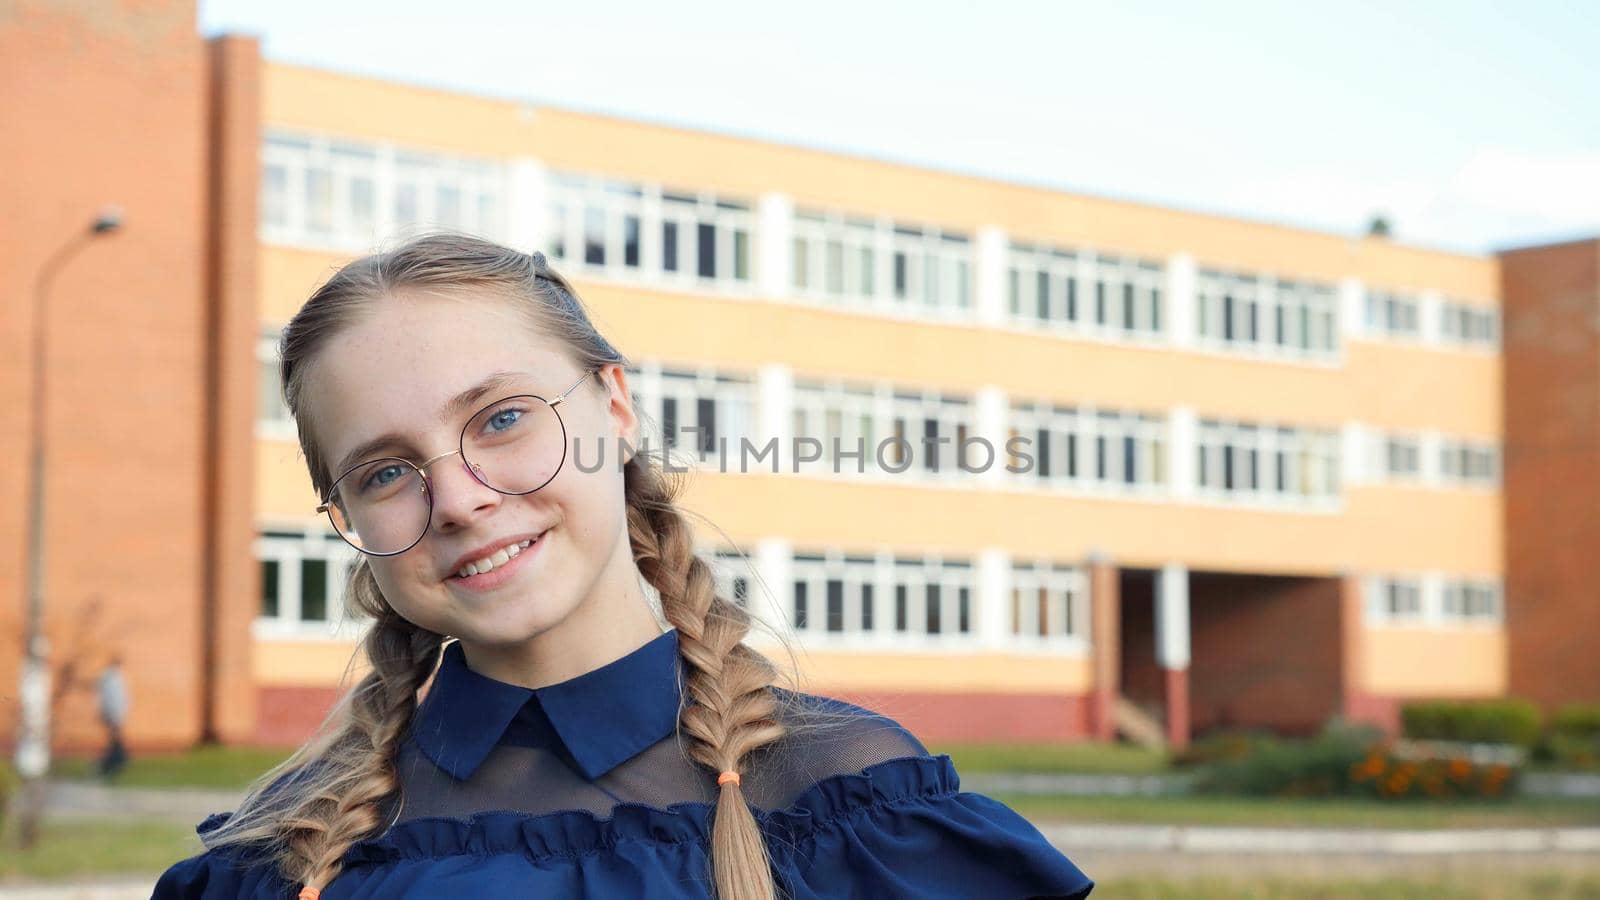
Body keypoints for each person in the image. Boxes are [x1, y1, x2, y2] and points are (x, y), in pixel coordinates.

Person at [152, 233, 1093, 899]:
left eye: (502, 419)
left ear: (612, 405)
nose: (461, 498)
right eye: (387, 470)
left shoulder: (840, 805)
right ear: (344, 514)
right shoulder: (284, 850)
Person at [97, 653, 129, 780]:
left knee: (115, 737)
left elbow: (121, 697)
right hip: (112, 712)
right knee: (115, 736)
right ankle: (118, 757)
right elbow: (109, 697)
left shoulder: (116, 677)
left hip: (115, 712)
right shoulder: (109, 677)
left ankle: (117, 757)